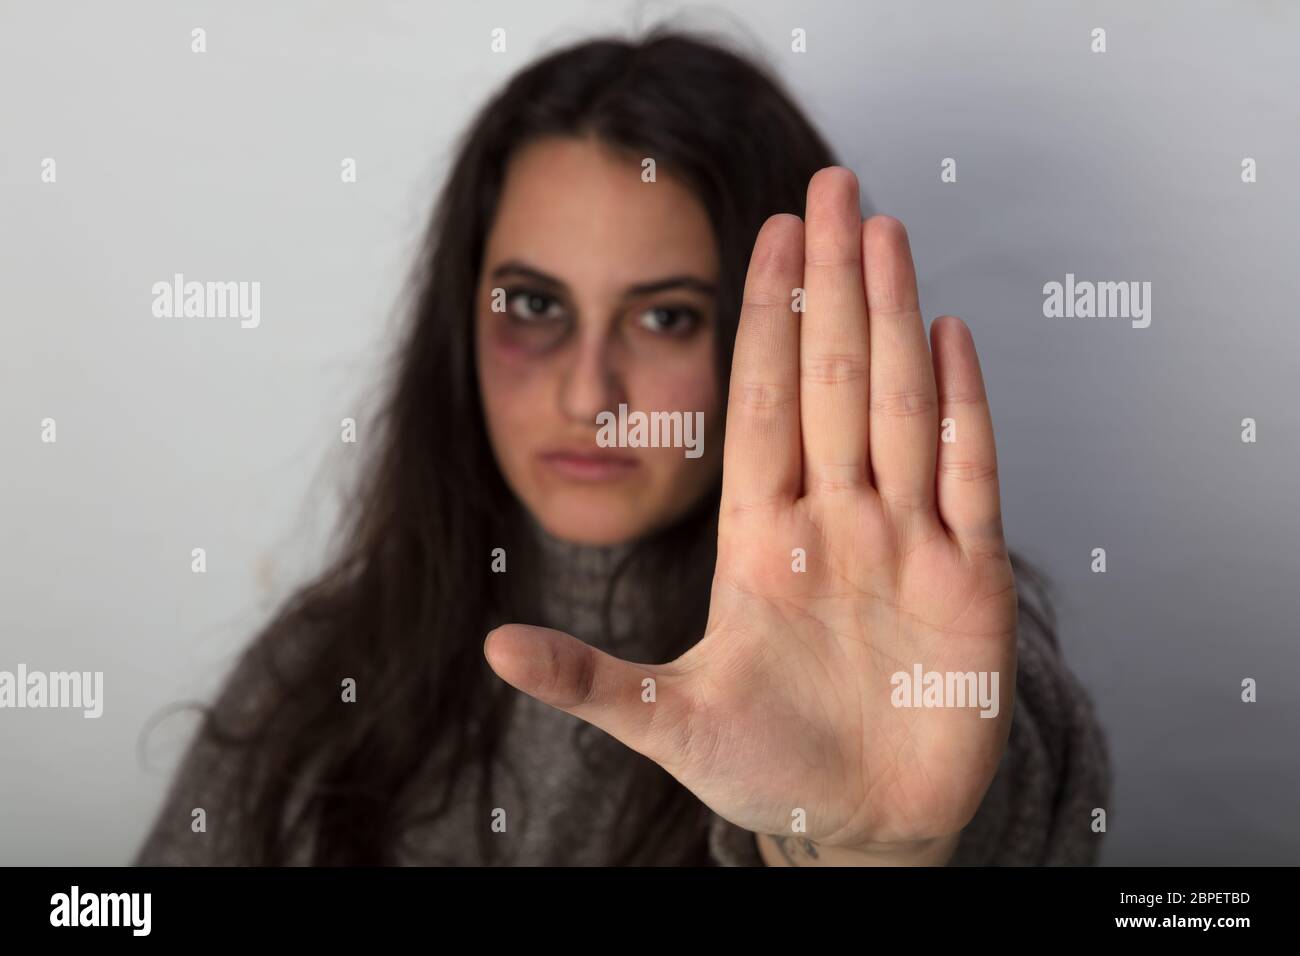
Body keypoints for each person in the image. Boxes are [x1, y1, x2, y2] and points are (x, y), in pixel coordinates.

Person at [134, 27, 1110, 867]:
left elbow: (972, 788)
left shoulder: (917, 646)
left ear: (786, 340)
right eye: (535, 304)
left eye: (666, 317)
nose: (587, 391)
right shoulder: (321, 661)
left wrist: (867, 848)